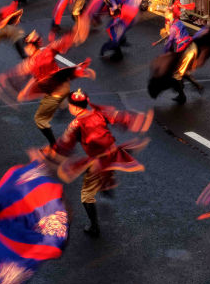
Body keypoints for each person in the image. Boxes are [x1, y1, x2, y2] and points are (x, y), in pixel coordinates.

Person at [42, 89, 152, 237]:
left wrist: (49, 153)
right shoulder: (98, 113)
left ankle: (94, 227)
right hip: (113, 152)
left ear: (73, 107)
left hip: (98, 161)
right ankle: (106, 186)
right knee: (107, 169)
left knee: (86, 195)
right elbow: (119, 117)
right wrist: (138, 120)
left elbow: (64, 145)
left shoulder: (76, 124)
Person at [0, 19, 92, 146]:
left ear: (30, 46)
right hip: (62, 83)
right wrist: (76, 31)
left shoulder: (32, 62)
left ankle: (54, 145)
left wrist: (7, 80)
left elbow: (19, 72)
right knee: (55, 95)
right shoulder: (48, 50)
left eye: (26, 46)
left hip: (54, 90)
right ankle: (66, 106)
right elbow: (65, 40)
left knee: (40, 120)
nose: (25, 49)